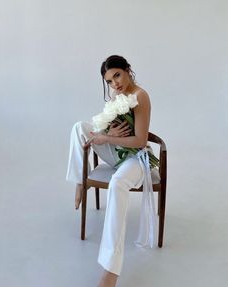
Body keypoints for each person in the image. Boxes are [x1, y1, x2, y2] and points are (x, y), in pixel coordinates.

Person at [66, 55, 152, 287]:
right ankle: (80, 180)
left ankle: (110, 271)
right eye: (109, 81)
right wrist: (109, 135)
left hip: (136, 159)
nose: (115, 84)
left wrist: (105, 137)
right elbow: (104, 128)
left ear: (127, 70)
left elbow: (141, 140)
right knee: (79, 128)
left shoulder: (140, 96)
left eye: (117, 75)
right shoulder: (116, 95)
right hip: (116, 151)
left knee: (116, 184)